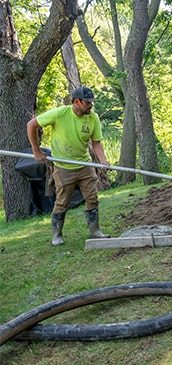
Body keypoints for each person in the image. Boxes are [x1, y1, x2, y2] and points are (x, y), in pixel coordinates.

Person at [26, 86, 110, 246]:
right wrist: (36, 151)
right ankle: (57, 235)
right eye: (87, 102)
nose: (91, 105)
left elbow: (96, 143)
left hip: (84, 165)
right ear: (77, 102)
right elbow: (31, 125)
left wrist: (103, 160)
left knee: (92, 198)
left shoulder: (93, 118)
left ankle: (95, 231)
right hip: (63, 167)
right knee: (62, 201)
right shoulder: (59, 114)